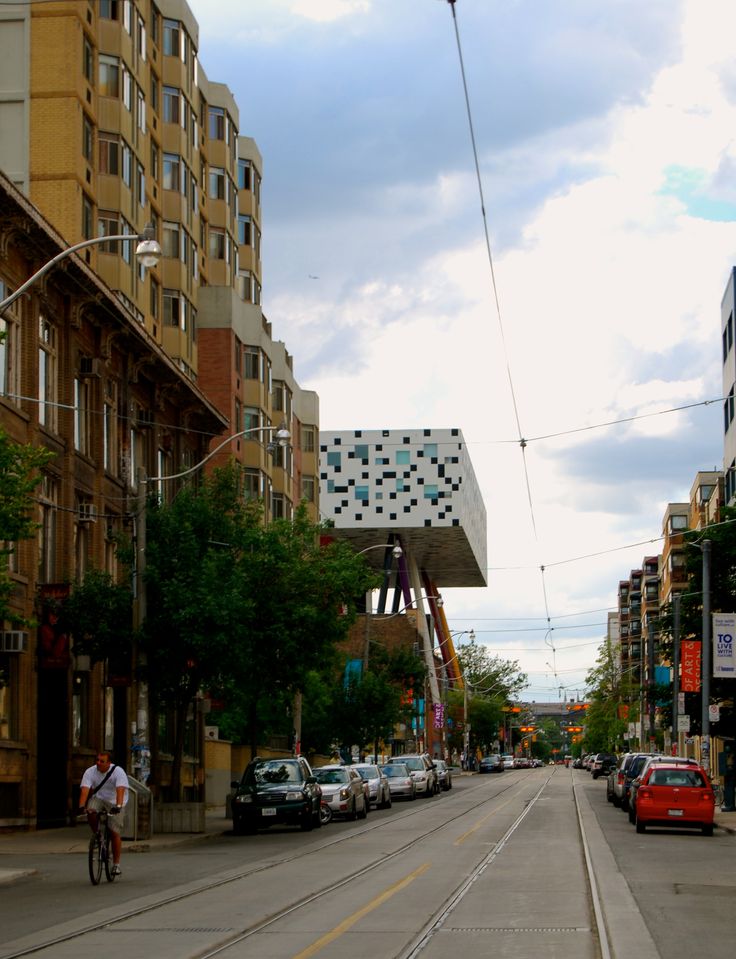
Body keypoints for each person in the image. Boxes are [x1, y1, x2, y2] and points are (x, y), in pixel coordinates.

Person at [78, 751, 129, 876]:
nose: (98, 763)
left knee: (114, 831)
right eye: (97, 760)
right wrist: (81, 806)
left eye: (102, 761)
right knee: (91, 810)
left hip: (115, 800)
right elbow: (85, 790)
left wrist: (118, 806)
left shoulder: (118, 772)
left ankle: (116, 865)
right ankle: (97, 835)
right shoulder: (90, 772)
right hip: (99, 798)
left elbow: (120, 790)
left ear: (109, 763)